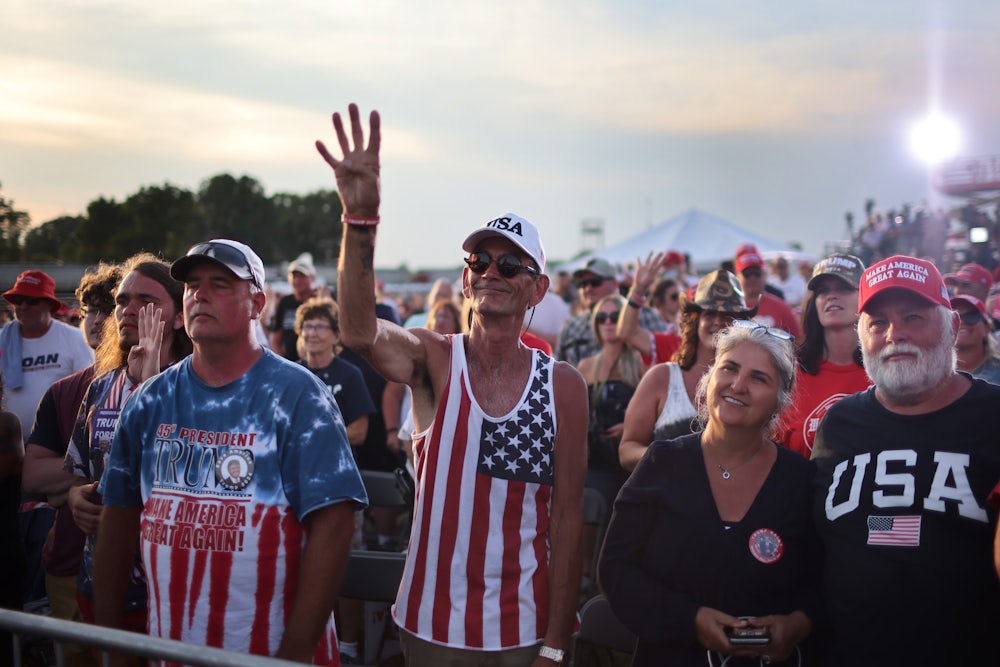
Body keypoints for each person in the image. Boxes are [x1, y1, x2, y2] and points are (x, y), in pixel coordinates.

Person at [319, 103, 586, 667]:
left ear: (536, 290)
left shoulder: (562, 386)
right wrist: (359, 222)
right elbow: (358, 328)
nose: (492, 272)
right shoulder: (435, 358)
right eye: (481, 261)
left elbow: (565, 521)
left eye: (511, 266)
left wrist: (558, 645)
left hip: (523, 630)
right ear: (466, 279)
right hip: (430, 625)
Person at [94, 239, 366, 665]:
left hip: (269, 651)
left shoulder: (299, 396)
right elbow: (117, 522)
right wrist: (113, 647)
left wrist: (293, 655)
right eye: (192, 285)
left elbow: (334, 528)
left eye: (220, 284)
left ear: (257, 302)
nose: (200, 294)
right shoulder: (149, 401)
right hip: (172, 648)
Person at [811, 254, 1000, 666]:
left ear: (951, 328)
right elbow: (849, 529)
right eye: (878, 322)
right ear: (863, 338)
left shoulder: (994, 416)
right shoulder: (838, 424)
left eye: (913, 316)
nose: (895, 333)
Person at [600, 322, 818, 666]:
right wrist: (690, 620)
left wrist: (799, 623)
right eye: (729, 368)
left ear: (780, 399)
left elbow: (823, 579)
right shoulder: (661, 462)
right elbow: (616, 569)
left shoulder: (802, 480)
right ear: (710, 377)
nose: (738, 385)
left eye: (759, 378)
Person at [64, 254, 193, 633]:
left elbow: (181, 473)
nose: (128, 310)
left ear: (180, 317)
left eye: (147, 302)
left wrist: (149, 384)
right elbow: (78, 472)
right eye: (122, 301)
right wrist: (75, 499)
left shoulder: (197, 389)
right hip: (101, 583)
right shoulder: (101, 388)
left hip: (166, 590)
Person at [20, 262, 122, 667]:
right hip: (66, 559)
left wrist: (68, 481)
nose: (97, 321)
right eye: (89, 311)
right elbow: (31, 475)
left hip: (136, 571)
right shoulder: (62, 391)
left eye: (107, 309)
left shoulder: (160, 382)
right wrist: (90, 472)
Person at [618, 270, 756, 472]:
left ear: (741, 323)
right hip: (666, 498)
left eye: (728, 315)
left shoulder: (750, 383)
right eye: (709, 313)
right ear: (695, 320)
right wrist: (664, 456)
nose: (718, 321)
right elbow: (627, 450)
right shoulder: (662, 378)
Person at [776, 254, 871, 458]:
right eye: (823, 290)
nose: (831, 296)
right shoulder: (790, 374)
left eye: (844, 288)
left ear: (864, 297)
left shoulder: (884, 372)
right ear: (814, 302)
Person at [0, 270, 94, 439]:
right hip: (7, 445)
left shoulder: (74, 338)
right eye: (17, 300)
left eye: (31, 300)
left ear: (50, 305)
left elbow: (88, 389)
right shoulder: (3, 340)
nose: (23, 306)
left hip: (57, 443)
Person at [577, 295, 645, 509]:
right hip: (596, 461)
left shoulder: (641, 364)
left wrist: (629, 427)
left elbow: (658, 410)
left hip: (632, 463)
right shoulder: (586, 366)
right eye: (602, 318)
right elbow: (576, 416)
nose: (608, 323)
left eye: (615, 317)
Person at [555, 257, 666, 367]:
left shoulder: (646, 316)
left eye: (595, 282)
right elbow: (558, 372)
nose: (588, 289)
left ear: (615, 284)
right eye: (582, 284)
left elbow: (665, 358)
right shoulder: (571, 327)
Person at [296, 296, 375, 446]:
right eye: (307, 326)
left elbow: (359, 432)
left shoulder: (350, 375)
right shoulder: (291, 374)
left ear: (337, 336)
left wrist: (314, 437)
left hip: (337, 464)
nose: (312, 333)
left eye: (320, 327)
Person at [735, 249, 801, 339]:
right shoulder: (729, 308)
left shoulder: (782, 308)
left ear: (764, 275)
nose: (752, 278)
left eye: (757, 273)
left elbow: (798, 342)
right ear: (737, 276)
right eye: (747, 274)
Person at [270, 252, 319, 361]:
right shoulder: (285, 302)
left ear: (312, 278)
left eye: (302, 276)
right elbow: (275, 338)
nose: (297, 281)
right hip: (291, 364)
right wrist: (282, 363)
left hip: (317, 365)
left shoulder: (319, 301)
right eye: (294, 276)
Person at [951, 294, 1000, 383]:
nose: (961, 322)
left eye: (971, 315)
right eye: (954, 317)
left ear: (987, 328)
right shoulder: (932, 374)